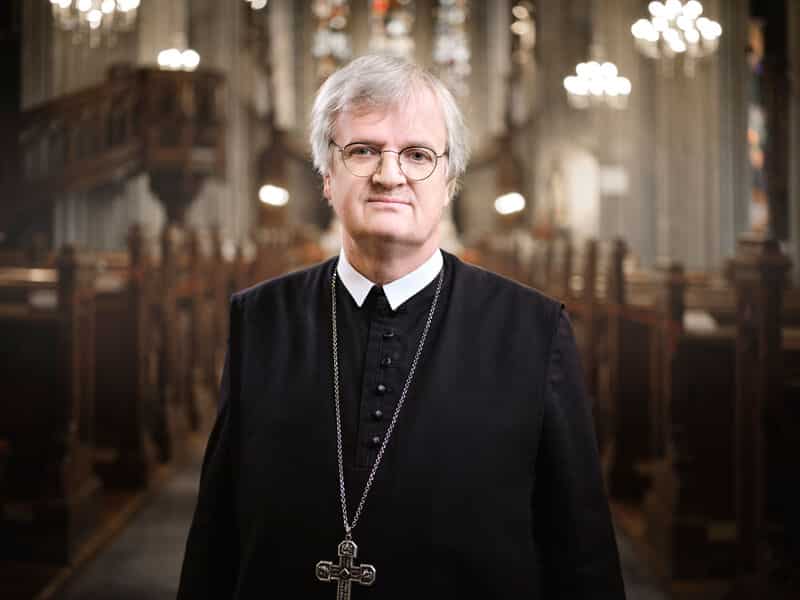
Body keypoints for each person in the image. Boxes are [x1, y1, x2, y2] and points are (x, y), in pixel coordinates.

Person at [177, 54, 625, 599]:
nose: (390, 175)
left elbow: (581, 557)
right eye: (363, 150)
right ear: (327, 174)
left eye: (417, 155)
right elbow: (215, 541)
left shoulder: (533, 331)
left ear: (451, 180)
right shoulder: (260, 320)